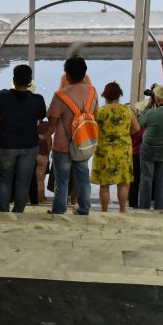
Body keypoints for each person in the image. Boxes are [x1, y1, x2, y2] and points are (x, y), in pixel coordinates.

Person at [0, 64, 47, 213]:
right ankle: (18, 212)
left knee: (4, 179)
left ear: (14, 80)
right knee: (23, 181)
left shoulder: (2, 96)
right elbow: (42, 115)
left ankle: (3, 211)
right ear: (30, 82)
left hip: (7, 144)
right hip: (29, 145)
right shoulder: (37, 100)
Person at [48, 56, 97, 215]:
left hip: (63, 143)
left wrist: (44, 136)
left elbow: (53, 121)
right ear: (84, 74)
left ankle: (59, 210)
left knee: (61, 181)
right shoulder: (92, 92)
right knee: (83, 178)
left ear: (67, 75)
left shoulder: (60, 95)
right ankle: (84, 209)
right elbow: (94, 114)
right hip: (83, 141)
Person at [91, 82, 140, 213]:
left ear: (105, 95)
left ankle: (104, 210)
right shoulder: (127, 110)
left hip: (104, 151)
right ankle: (122, 209)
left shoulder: (100, 111)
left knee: (104, 184)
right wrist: (122, 133)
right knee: (123, 183)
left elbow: (93, 129)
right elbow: (136, 128)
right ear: (120, 94)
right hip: (123, 151)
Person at [137, 85, 163, 210]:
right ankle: (159, 207)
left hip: (149, 149)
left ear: (157, 100)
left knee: (146, 179)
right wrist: (162, 90)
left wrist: (148, 105)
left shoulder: (151, 112)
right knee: (161, 180)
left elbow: (139, 123)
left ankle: (144, 207)